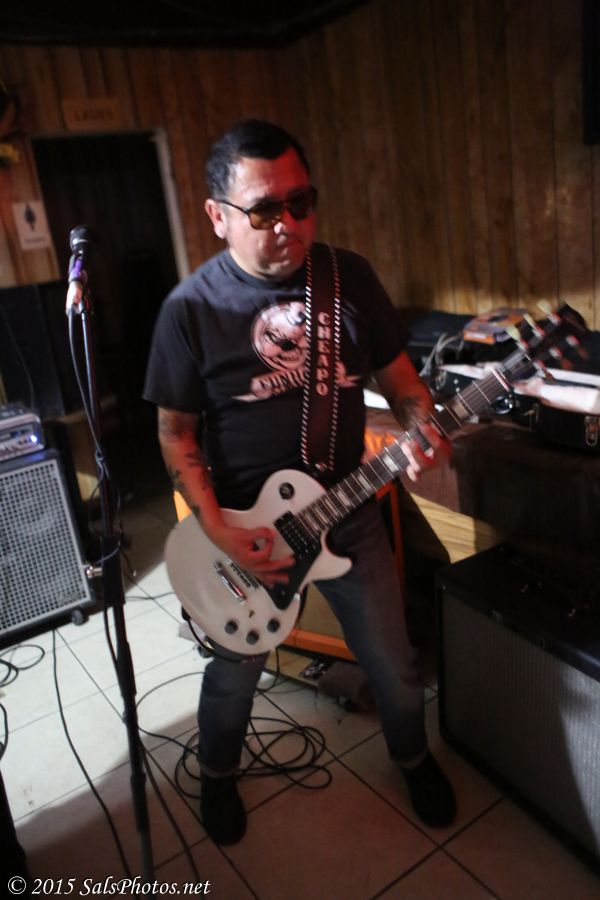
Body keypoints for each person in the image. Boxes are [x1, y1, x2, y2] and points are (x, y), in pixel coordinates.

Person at [143, 119, 456, 845]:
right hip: (245, 530)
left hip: (348, 509)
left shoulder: (349, 279)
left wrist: (423, 428)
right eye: (262, 210)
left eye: (301, 202)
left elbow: (405, 386)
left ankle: (412, 757)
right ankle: (217, 772)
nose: (287, 223)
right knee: (234, 672)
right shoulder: (190, 309)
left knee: (394, 661)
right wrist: (218, 527)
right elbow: (175, 433)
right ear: (217, 215)